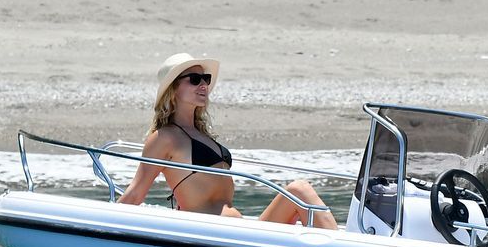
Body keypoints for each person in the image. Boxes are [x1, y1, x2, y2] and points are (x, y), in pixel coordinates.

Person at [118, 53, 337, 229]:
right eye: (195, 80)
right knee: (299, 189)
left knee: (298, 191)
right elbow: (136, 193)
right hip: (214, 236)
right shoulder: (164, 137)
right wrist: (103, 225)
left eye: (206, 79)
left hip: (238, 232)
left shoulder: (201, 134)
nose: (203, 85)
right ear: (173, 90)